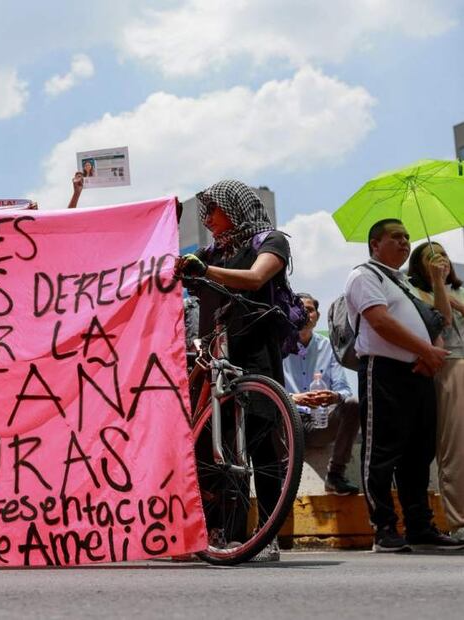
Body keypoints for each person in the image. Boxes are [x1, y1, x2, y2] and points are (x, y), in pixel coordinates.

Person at [174, 179, 291, 562]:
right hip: (214, 354)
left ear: (236, 209)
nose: (207, 219)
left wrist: (204, 270)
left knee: (261, 444)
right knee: (216, 447)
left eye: (214, 210)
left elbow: (257, 278)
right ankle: (223, 532)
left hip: (254, 351)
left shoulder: (271, 242)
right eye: (203, 212)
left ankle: (267, 534)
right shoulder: (210, 254)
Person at [343, 219, 461, 552]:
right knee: (381, 452)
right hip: (384, 372)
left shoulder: (405, 283)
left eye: (408, 237)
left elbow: (440, 320)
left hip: (419, 374)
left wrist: (438, 280)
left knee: (419, 454)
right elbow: (379, 322)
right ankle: (383, 528)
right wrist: (426, 350)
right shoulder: (365, 276)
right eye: (396, 237)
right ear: (374, 245)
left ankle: (419, 525)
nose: (405, 242)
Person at [406, 241, 464, 540]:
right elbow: (442, 324)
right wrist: (440, 287)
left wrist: (455, 299)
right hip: (449, 368)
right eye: (432, 257)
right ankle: (459, 520)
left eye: (443, 255)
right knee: (454, 448)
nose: (441, 260)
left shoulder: (460, 290)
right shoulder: (415, 293)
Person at [283, 293, 360, 495]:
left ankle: (335, 475)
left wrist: (333, 397)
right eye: (298, 309)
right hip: (289, 421)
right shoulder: (278, 346)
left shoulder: (327, 346)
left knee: (354, 404)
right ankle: (280, 477)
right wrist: (293, 399)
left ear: (317, 316)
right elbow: (266, 392)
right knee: (272, 411)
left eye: (309, 309)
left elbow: (344, 390)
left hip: (321, 420)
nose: (304, 314)